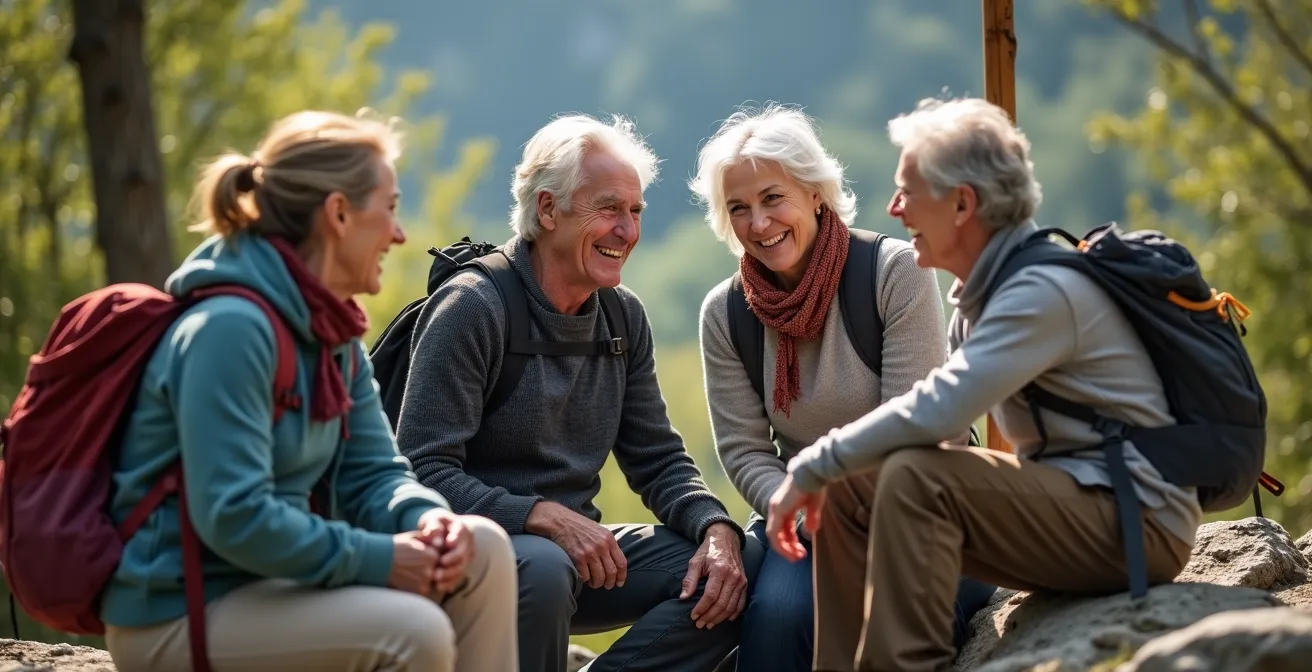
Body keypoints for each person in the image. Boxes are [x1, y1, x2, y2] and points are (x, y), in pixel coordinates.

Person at [766, 97, 1200, 671]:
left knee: (912, 477)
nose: (894, 208)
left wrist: (812, 464)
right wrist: (843, 476)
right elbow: (938, 438)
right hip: (1077, 509)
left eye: (907, 192)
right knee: (855, 484)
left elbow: (940, 412)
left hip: (1137, 526)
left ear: (963, 203)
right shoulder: (979, 301)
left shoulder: (1040, 293)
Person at [101, 110, 518, 672]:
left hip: (277, 584)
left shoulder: (331, 334)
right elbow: (235, 515)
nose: (398, 234)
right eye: (390, 209)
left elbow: (375, 473)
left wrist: (425, 519)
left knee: (483, 549)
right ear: (339, 214)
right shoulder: (230, 330)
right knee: (413, 634)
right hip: (179, 610)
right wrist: (379, 559)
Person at [394, 113, 762, 672]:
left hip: (579, 558)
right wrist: (540, 515)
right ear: (548, 210)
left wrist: (716, 529)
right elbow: (421, 470)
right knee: (543, 568)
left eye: (635, 212)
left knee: (730, 572)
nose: (628, 232)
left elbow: (658, 458)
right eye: (609, 209)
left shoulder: (622, 317)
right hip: (478, 558)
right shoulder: (473, 307)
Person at [689, 106, 996, 672]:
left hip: (917, 500)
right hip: (804, 515)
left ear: (815, 193)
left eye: (773, 198)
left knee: (899, 614)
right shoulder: (725, 314)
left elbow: (915, 427)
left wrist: (846, 514)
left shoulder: (894, 271)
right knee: (777, 618)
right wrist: (803, 513)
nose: (758, 223)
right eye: (738, 208)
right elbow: (745, 451)